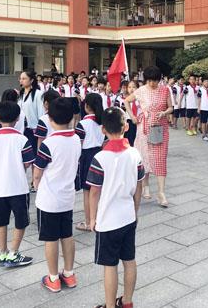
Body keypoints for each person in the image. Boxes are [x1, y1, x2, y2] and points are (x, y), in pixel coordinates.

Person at [87, 107, 144, 308]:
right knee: (129, 260)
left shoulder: (100, 159)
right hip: (128, 216)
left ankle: (110, 305)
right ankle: (127, 302)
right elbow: (139, 186)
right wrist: (135, 210)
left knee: (110, 265)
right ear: (126, 127)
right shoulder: (135, 154)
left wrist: (92, 219)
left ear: (103, 129)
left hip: (107, 220)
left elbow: (94, 192)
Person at [33, 98, 80, 293]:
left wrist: (36, 185)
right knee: (67, 235)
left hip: (49, 200)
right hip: (67, 197)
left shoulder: (48, 144)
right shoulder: (76, 139)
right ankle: (69, 274)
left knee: (51, 239)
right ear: (71, 118)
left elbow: (37, 172)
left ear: (50, 119)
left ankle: (53, 278)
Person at [0, 101, 35, 267]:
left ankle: (3, 253)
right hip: (19, 187)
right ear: (18, 118)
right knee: (21, 221)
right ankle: (14, 253)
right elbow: (28, 162)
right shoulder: (23, 140)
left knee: (1, 221)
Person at [125, 66, 172, 207]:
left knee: (160, 158)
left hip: (160, 128)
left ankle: (161, 192)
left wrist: (164, 113)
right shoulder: (141, 90)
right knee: (144, 156)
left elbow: (171, 107)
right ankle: (145, 185)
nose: (152, 83)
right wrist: (132, 116)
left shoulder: (165, 90)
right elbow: (126, 101)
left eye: (155, 80)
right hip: (144, 128)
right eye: (150, 80)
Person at [74, 93, 104, 231]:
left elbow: (78, 145)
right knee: (98, 190)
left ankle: (88, 222)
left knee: (87, 191)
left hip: (86, 157)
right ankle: (98, 219)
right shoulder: (103, 122)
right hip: (100, 155)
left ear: (86, 106)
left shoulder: (82, 124)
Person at [197, 77, 208, 141]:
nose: (207, 82)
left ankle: (206, 131)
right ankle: (204, 135)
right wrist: (199, 108)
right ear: (203, 83)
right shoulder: (200, 90)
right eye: (205, 81)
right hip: (203, 108)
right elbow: (199, 99)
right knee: (203, 122)